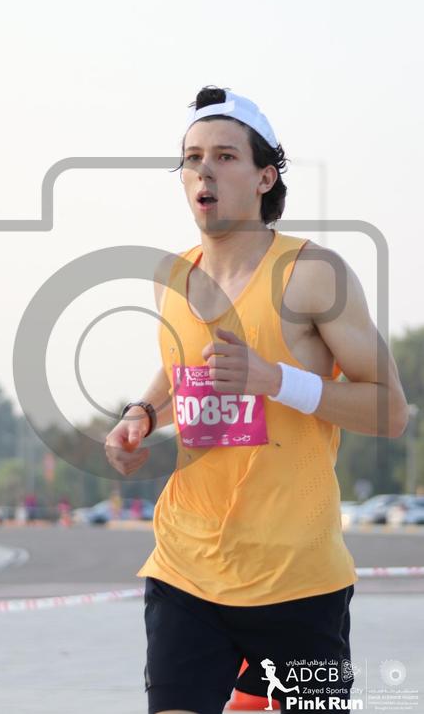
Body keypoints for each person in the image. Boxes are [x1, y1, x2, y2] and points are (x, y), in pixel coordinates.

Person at [104, 86, 409, 714]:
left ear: (265, 177)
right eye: (192, 158)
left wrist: (277, 380)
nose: (204, 171)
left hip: (298, 580)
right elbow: (183, 372)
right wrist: (142, 415)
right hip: (187, 568)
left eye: (224, 156)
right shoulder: (173, 277)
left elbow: (391, 410)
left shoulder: (315, 273)